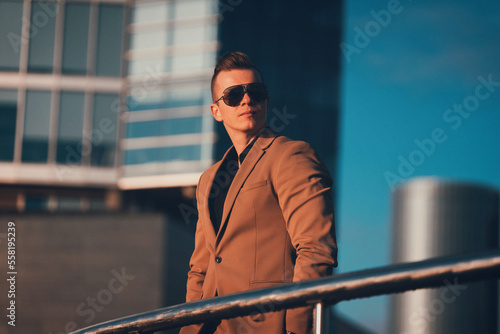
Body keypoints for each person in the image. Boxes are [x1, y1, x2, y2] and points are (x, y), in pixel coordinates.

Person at [180, 51, 337, 334]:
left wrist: (297, 330)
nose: (247, 100)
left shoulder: (291, 155)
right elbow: (201, 267)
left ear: (266, 99)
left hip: (268, 324)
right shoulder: (208, 180)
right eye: (233, 95)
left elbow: (316, 251)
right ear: (216, 111)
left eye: (256, 92)